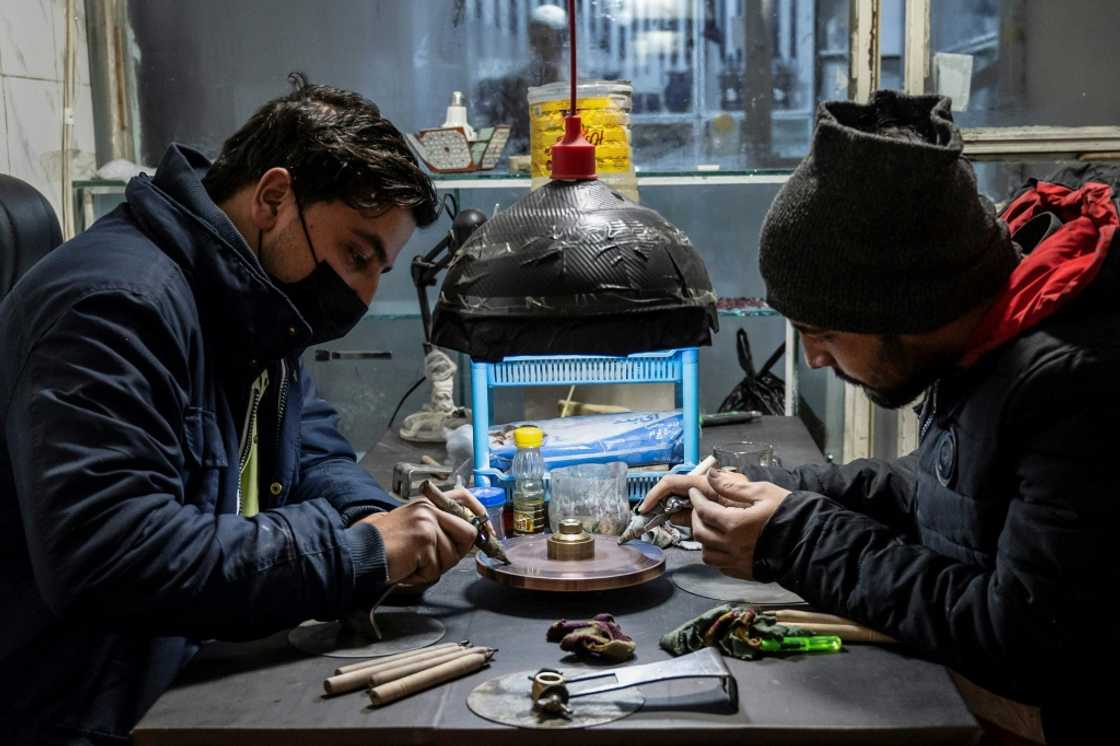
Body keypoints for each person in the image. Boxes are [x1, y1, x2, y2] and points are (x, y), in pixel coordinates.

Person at [0, 77, 488, 745]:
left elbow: (310, 444)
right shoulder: (115, 304)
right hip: (84, 713)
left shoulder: (249, 299)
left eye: (380, 269)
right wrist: (359, 553)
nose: (363, 295)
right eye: (355, 255)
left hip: (181, 675)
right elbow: (110, 555)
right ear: (274, 198)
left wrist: (375, 519)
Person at [641, 90, 1117, 743]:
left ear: (904, 310)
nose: (810, 357)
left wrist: (794, 538)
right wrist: (782, 492)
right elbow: (949, 492)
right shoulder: (992, 328)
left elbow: (1021, 639)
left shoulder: (1074, 382)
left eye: (823, 332)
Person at [475, 2, 568, 155]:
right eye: (533, 41)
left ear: (560, 42)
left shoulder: (576, 86)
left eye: (545, 41)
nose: (537, 48)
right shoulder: (513, 86)